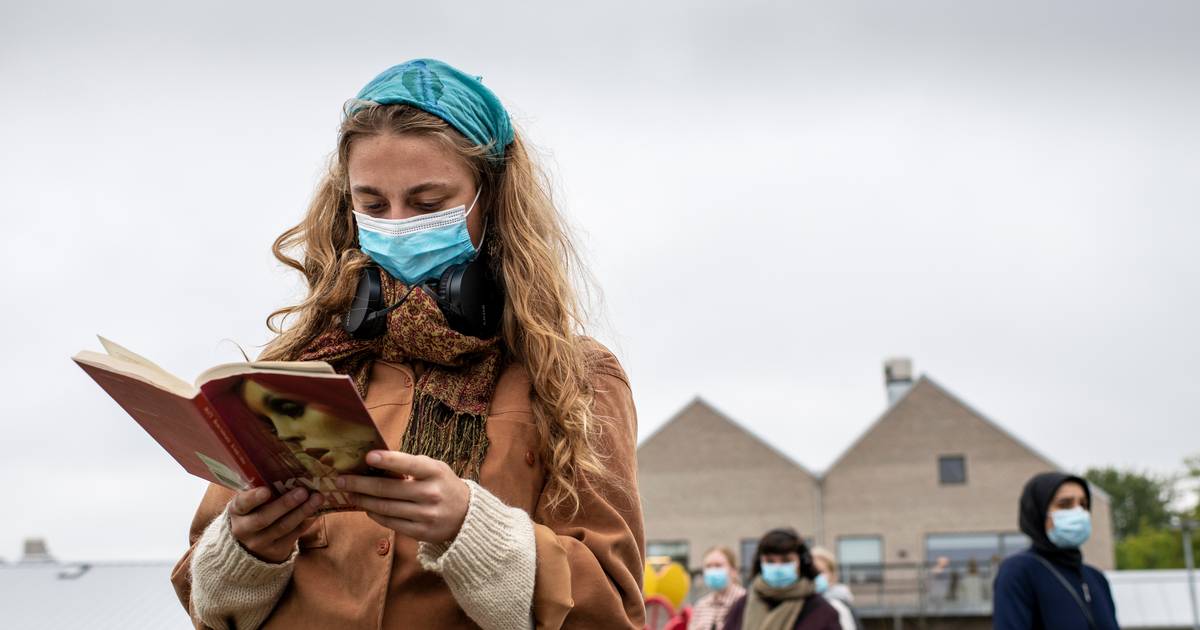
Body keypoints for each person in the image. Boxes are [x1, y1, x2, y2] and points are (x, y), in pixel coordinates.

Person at [168, 58, 645, 629]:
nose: (396, 224)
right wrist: (245, 551)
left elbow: (613, 613)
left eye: (427, 204)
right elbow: (207, 606)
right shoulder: (295, 370)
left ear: (489, 201)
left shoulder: (575, 379)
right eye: (372, 205)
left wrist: (474, 529)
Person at [993, 472, 1120, 630]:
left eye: (1084, 505)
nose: (1078, 512)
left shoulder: (1096, 578)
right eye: (1065, 504)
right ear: (1038, 512)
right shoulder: (1019, 571)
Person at [722, 528, 841, 630]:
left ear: (801, 563)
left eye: (786, 561)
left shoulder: (821, 610)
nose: (777, 567)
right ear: (760, 563)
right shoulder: (742, 606)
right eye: (770, 561)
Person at [690, 546, 747, 630]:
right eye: (708, 566)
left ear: (734, 571)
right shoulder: (701, 605)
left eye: (718, 565)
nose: (712, 571)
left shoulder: (745, 601)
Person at [809, 546, 860, 630]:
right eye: (811, 571)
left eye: (820, 572)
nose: (815, 576)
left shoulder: (837, 607)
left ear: (832, 575)